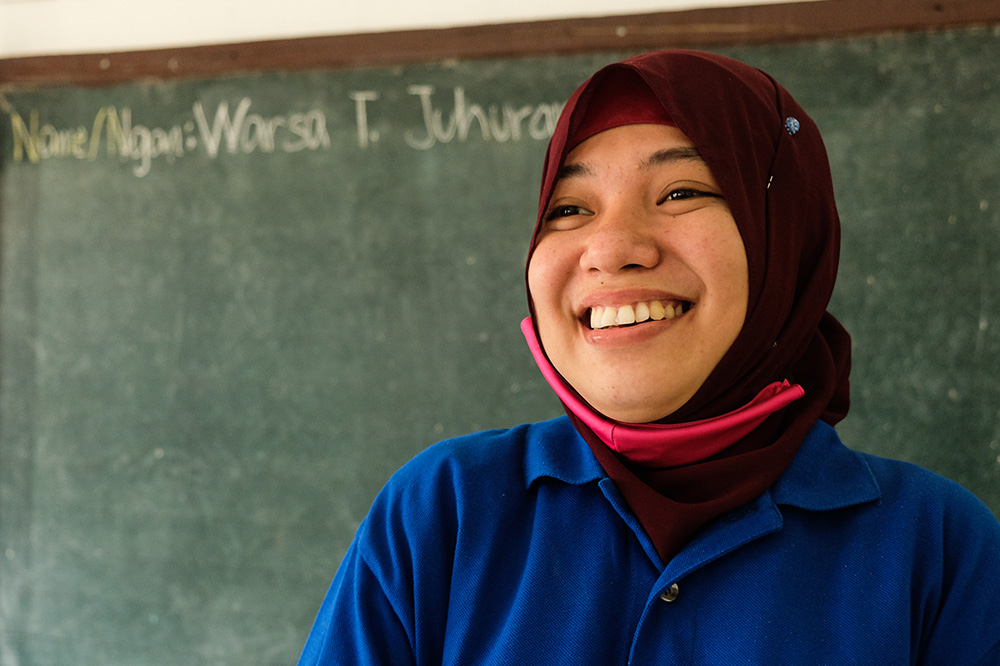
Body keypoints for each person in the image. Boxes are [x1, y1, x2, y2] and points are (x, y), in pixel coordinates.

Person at [297, 50, 1000, 664]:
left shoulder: (939, 550)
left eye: (682, 192)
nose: (612, 247)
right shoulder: (440, 516)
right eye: (569, 209)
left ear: (785, 241)